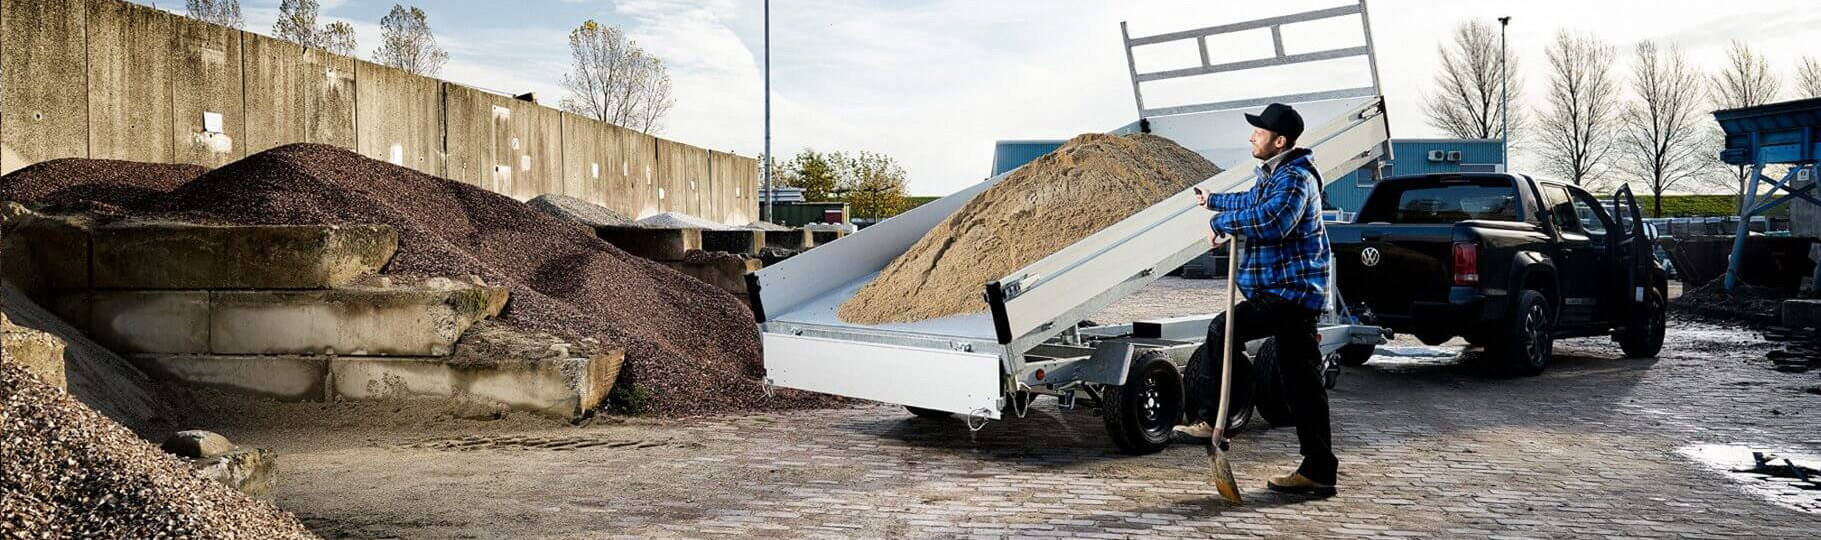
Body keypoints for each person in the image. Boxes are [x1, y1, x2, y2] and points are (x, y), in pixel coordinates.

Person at [1175, 102, 1338, 497]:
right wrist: (1214, 201)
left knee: (1224, 328)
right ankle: (1318, 470)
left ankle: (1216, 416)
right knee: (1301, 383)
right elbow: (1252, 202)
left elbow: (1273, 221)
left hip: (1291, 295)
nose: (1252, 136)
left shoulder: (1297, 178)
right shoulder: (1275, 175)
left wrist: (1220, 223)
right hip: (1283, 294)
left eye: (1259, 132)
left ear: (1279, 140)